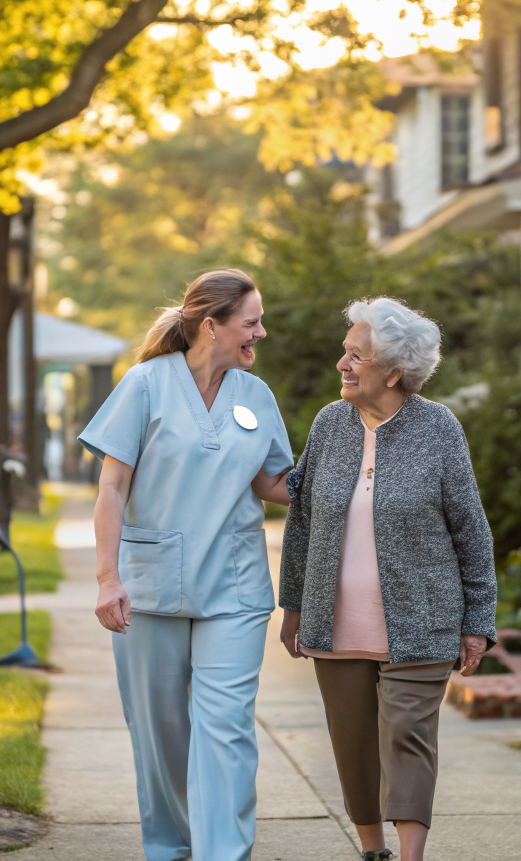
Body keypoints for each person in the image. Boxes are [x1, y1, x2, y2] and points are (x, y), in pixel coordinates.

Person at [78, 269, 292, 861]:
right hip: (150, 588)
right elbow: (113, 488)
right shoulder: (144, 385)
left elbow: (273, 481)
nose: (261, 333)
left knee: (225, 731)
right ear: (211, 325)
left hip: (235, 586)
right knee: (162, 736)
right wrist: (106, 578)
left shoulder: (256, 396)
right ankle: (171, 848)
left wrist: (349, 477)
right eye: (250, 323)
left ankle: (224, 854)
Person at [277, 297, 496, 861]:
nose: (341, 365)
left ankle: (410, 857)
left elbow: (471, 531)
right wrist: (294, 606)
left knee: (407, 738)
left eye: (355, 355)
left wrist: (478, 621)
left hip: (422, 622)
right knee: (354, 748)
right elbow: (300, 518)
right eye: (345, 352)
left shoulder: (438, 428)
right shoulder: (330, 424)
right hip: (336, 620)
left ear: (393, 372)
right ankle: (372, 851)